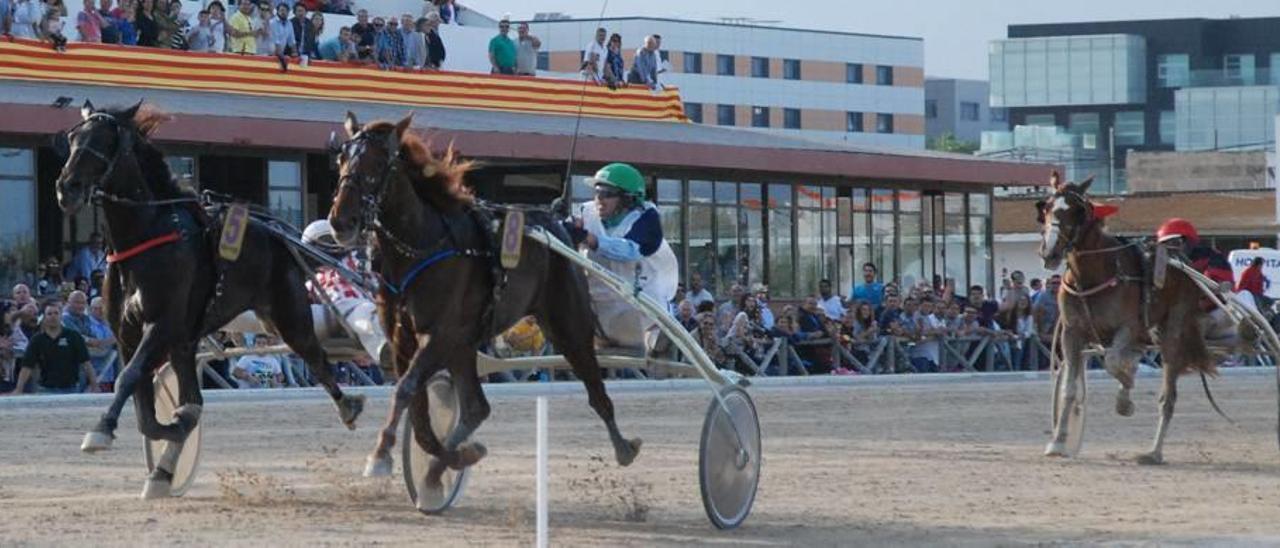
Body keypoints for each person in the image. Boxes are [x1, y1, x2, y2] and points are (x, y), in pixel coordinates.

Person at [567, 163, 678, 350]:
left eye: (607, 193)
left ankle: (659, 346)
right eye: (597, 192)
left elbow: (630, 251)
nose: (599, 199)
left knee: (654, 338)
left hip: (640, 307)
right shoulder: (586, 212)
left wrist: (590, 239)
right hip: (598, 307)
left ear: (628, 198)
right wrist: (561, 223)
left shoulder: (647, 218)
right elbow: (570, 229)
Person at [300, 220, 389, 370]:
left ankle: (384, 350)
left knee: (365, 313)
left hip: (356, 312)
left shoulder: (355, 268)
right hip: (329, 315)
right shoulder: (316, 279)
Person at [6, 303, 95, 395]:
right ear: (44, 317)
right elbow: (27, 366)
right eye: (49, 314)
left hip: (71, 389)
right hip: (45, 390)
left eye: (56, 313)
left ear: (61, 315)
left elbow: (86, 363)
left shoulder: (73, 336)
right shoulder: (37, 340)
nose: (53, 316)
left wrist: (94, 386)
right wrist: (19, 389)